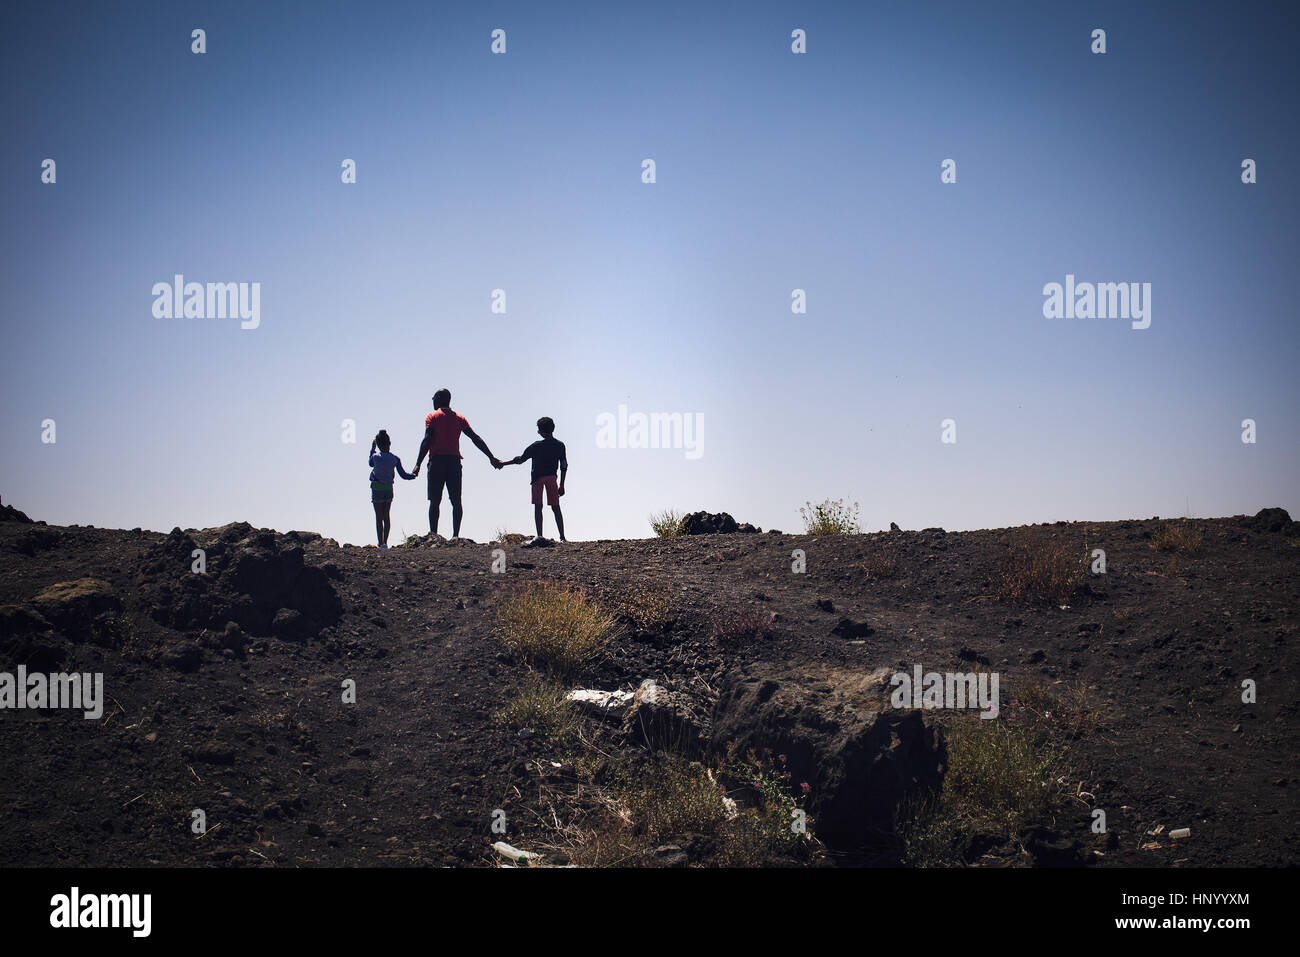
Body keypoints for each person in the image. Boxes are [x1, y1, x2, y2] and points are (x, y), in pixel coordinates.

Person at [411, 389, 498, 538]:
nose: (432, 401)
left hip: (437, 462)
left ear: (438, 399)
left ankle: (433, 534)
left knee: (435, 501)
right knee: (456, 501)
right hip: (453, 462)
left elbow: (427, 440)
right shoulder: (459, 418)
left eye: (433, 398)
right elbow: (475, 438)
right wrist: (491, 456)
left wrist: (418, 463)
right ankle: (455, 536)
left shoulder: (432, 417)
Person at [495, 416, 567, 541]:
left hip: (537, 478)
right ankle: (562, 536)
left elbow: (520, 460)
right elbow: (564, 465)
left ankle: (539, 535)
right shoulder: (560, 445)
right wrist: (562, 484)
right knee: (556, 507)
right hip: (552, 478)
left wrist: (503, 463)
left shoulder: (536, 446)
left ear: (541, 431)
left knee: (538, 506)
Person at [368, 430, 415, 548]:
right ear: (389, 443)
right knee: (386, 516)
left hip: (377, 487)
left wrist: (372, 449)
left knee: (378, 517)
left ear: (378, 445)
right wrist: (413, 475)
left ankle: (380, 543)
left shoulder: (376, 457)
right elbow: (403, 475)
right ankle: (385, 542)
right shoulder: (395, 459)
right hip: (388, 488)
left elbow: (370, 463)